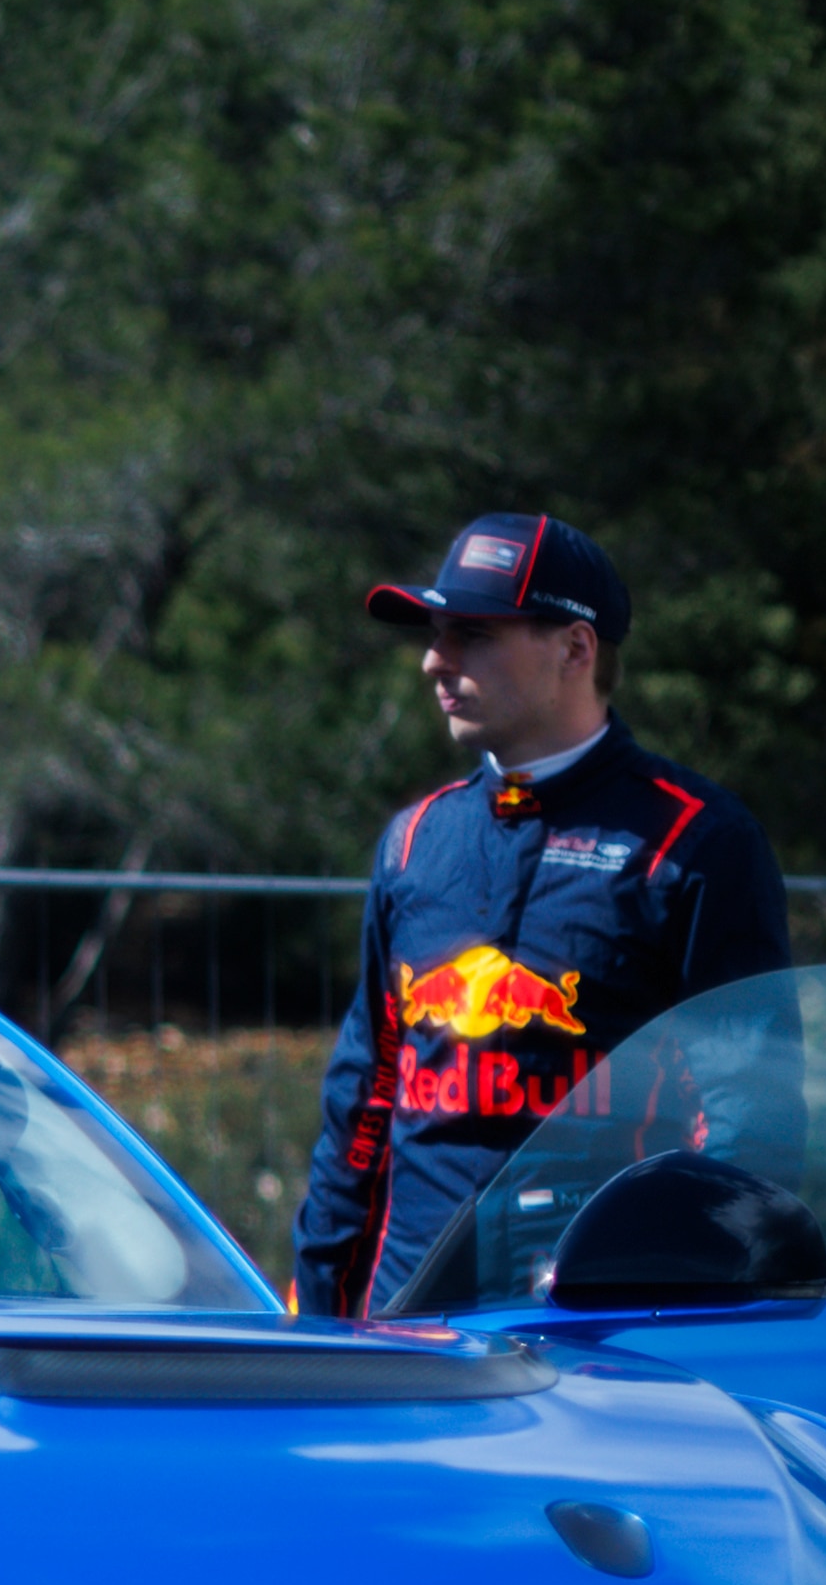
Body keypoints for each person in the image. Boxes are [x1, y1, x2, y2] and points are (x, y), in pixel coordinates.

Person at [288, 514, 794, 1318]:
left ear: (575, 650)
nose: (433, 660)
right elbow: (365, 1101)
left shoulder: (695, 840)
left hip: (602, 1330)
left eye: (473, 634)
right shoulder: (415, 841)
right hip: (409, 1329)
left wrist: (685, 1302)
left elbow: (749, 1125)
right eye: (434, 633)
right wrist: (316, 1315)